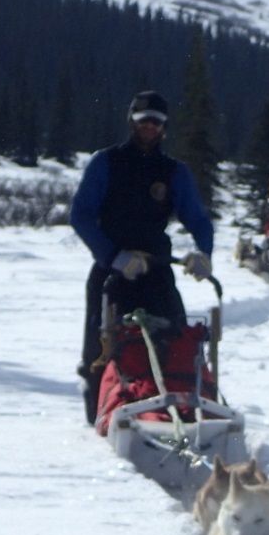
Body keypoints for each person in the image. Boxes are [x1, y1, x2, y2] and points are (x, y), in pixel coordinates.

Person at [70, 90, 215, 423]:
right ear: (131, 122)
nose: (149, 127)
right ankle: (101, 416)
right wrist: (113, 256)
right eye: (142, 120)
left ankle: (177, 412)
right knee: (101, 351)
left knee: (176, 341)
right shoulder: (106, 162)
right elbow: (81, 214)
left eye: (156, 122)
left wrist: (203, 254)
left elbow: (198, 220)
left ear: (164, 128)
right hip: (113, 275)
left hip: (157, 272)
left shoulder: (173, 171)